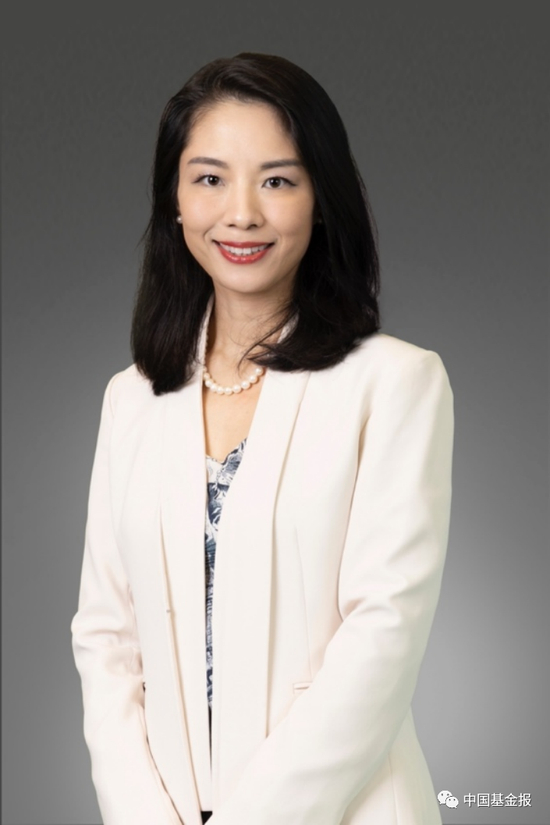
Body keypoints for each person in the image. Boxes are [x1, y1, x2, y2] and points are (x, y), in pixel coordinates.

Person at [71, 52, 454, 825]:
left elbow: (383, 634)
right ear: (175, 200)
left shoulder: (395, 382)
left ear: (322, 200)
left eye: (277, 180)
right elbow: (107, 636)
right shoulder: (131, 399)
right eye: (210, 178)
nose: (241, 213)